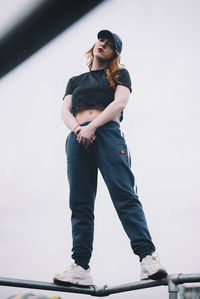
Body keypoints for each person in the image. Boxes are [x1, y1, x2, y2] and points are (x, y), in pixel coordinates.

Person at [53, 30, 168, 287]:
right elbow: (64, 110)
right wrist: (78, 129)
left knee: (124, 194)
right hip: (77, 136)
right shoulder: (75, 80)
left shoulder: (118, 75)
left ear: (115, 53)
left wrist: (92, 126)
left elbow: (120, 103)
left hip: (106, 133)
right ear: (94, 44)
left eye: (108, 44)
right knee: (80, 204)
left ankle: (147, 258)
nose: (102, 45)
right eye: (100, 40)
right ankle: (80, 267)